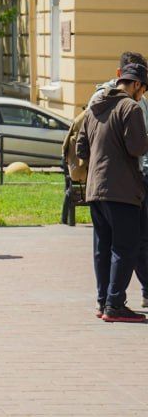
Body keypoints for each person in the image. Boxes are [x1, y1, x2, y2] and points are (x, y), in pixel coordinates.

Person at [76, 62, 148, 322]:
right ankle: (115, 305)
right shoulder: (131, 107)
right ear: (136, 85)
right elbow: (137, 148)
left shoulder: (94, 106)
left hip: (95, 188)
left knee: (102, 247)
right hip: (122, 189)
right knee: (125, 247)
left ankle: (103, 301)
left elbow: (80, 146)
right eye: (143, 89)